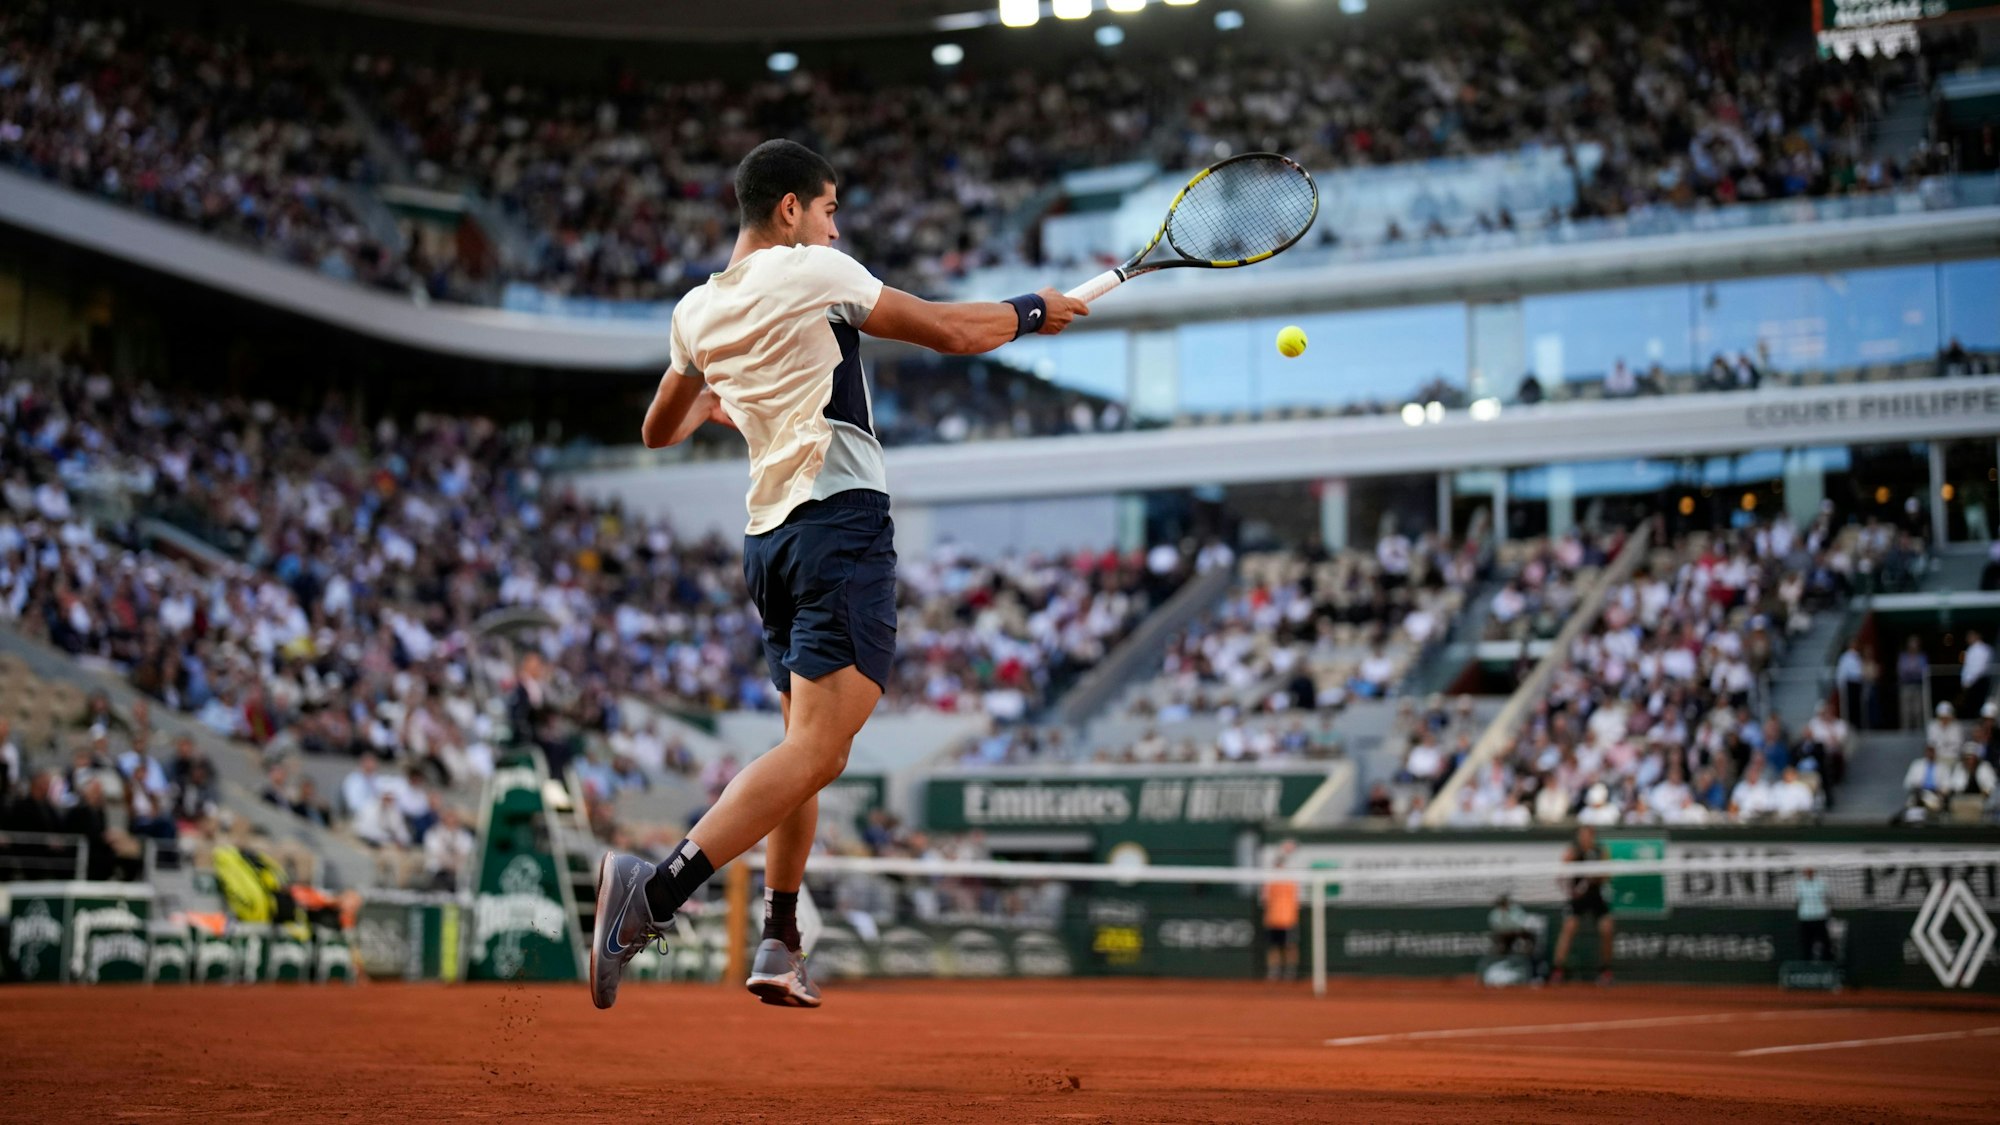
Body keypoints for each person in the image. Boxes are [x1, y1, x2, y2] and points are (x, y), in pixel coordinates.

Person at [591, 139, 1087, 1011]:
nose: (834, 227)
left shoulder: (696, 312)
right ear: (789, 209)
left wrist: (720, 400)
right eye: (828, 209)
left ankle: (780, 936)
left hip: (770, 543)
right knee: (818, 750)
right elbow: (949, 330)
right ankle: (655, 891)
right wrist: (1034, 310)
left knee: (805, 750)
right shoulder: (814, 269)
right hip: (839, 523)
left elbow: (656, 430)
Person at [1550, 825, 1614, 984]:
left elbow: (1607, 876)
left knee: (1607, 928)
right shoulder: (1573, 852)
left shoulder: (1601, 852)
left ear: (1592, 837)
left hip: (1596, 897)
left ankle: (1605, 970)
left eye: (1587, 835)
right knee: (1569, 927)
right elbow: (1560, 875)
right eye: (1581, 835)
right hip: (1578, 898)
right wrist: (1571, 891)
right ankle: (1558, 969)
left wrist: (1596, 876)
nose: (1584, 838)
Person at [1262, 840, 1301, 982]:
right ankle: (1275, 972)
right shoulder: (1270, 881)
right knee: (1274, 947)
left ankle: (1290, 972)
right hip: (1274, 920)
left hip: (1288, 919)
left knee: (1289, 946)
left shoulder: (1290, 880)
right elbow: (1266, 900)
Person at [1795, 866, 1832, 963]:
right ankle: (1807, 965)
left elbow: (1827, 898)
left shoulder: (1821, 883)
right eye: (1806, 870)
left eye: (1810, 870)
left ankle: (1826, 964)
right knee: (1806, 943)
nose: (1808, 872)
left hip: (1819, 917)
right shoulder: (1800, 884)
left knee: (1825, 943)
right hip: (1805, 917)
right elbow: (1798, 899)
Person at [1488, 893, 1536, 958]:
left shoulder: (1516, 909)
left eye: (1505, 902)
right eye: (1502, 903)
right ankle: (1503, 956)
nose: (1505, 904)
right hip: (1504, 933)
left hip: (1517, 931)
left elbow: (1522, 920)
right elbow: (1495, 925)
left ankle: (1528, 955)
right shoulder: (1495, 913)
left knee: (1530, 935)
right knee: (1502, 939)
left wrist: (1517, 928)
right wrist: (1503, 915)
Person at [1897, 637, 1929, 732]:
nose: (1913, 647)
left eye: (1915, 645)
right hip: (1906, 686)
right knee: (1905, 710)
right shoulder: (1903, 657)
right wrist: (1914, 670)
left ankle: (1919, 730)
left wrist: (1911, 671)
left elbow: (1923, 671)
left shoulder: (1922, 657)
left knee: (1918, 710)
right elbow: (1902, 671)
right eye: (1911, 645)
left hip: (1918, 686)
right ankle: (1905, 731)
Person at [1962, 630, 1992, 715]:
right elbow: (1967, 667)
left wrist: (1968, 682)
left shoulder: (1983, 649)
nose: (1967, 638)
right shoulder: (1971, 649)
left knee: (1977, 704)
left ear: (1977, 636)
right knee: (1971, 704)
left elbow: (1979, 668)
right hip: (1972, 683)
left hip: (1978, 681)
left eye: (1970, 636)